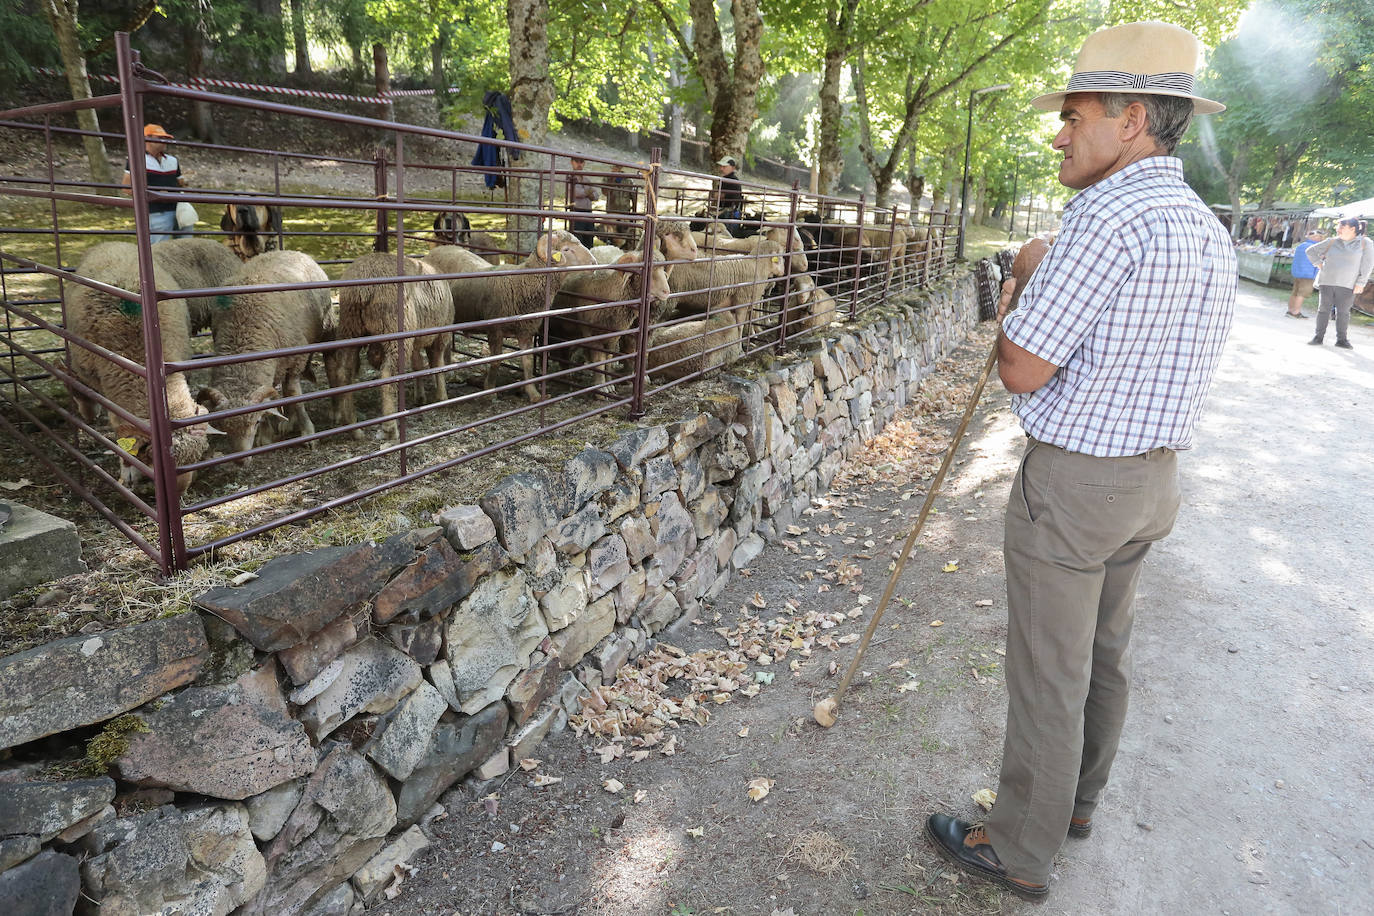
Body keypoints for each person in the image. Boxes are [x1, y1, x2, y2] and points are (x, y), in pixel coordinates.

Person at [923, 21, 1237, 902]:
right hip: (1150, 481)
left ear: (1132, 119)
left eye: (1073, 115)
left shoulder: (1104, 216)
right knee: (1103, 654)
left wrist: (1019, 281)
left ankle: (1018, 848)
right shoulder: (1203, 227)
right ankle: (1076, 805)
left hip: (1078, 482)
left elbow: (1023, 365)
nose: (1059, 133)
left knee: (1050, 672)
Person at [1304, 217, 1373, 349]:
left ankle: (1342, 340)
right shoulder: (1332, 241)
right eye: (1338, 227)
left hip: (1348, 284)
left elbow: (1368, 264)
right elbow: (1310, 251)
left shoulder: (1365, 243)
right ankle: (1318, 337)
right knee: (1323, 310)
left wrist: (1361, 282)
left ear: (1352, 229)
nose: (1338, 229)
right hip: (1327, 281)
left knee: (1343, 312)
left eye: (1341, 227)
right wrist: (1318, 263)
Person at [121, 123, 189, 244]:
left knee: (187, 247)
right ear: (147, 139)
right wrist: (153, 194)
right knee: (159, 251)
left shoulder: (173, 160)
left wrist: (183, 184)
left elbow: (181, 182)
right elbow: (127, 188)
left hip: (180, 210)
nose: (164, 141)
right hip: (156, 213)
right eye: (160, 138)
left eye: (166, 138)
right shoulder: (136, 160)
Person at [1286, 229, 1325, 318]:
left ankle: (1290, 310)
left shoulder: (1301, 246)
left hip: (1298, 272)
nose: (1321, 239)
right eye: (1320, 237)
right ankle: (1296, 312)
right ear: (1316, 237)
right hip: (1308, 274)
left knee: (1295, 292)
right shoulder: (1316, 248)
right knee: (1302, 294)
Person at [567, 156, 600, 249]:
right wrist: (589, 192)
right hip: (577, 212)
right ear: (572, 162)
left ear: (584, 163)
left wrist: (587, 193)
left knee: (589, 239)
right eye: (577, 161)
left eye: (581, 161)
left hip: (588, 213)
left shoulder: (586, 179)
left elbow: (596, 195)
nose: (579, 164)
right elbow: (577, 193)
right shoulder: (570, 177)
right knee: (578, 240)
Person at [715, 156, 744, 224]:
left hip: (730, 213)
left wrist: (722, 195)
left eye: (724, 166)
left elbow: (735, 197)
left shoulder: (734, 181)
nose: (721, 168)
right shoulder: (724, 180)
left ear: (732, 168)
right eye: (721, 166)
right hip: (723, 211)